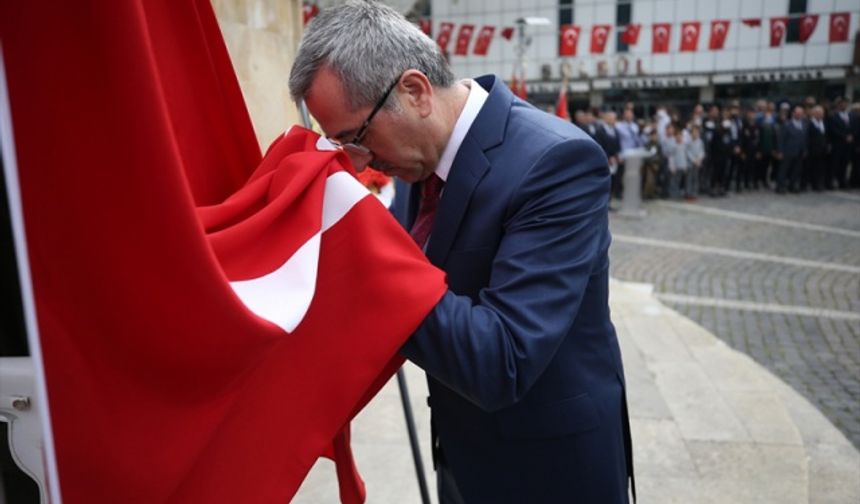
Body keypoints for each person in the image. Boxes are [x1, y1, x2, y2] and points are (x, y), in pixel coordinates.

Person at [288, 2, 634, 502]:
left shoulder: (557, 162)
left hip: (550, 470)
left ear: (414, 91)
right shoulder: (417, 157)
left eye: (356, 138)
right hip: (461, 454)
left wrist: (363, 246)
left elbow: (503, 359)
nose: (357, 163)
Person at [776, 105, 808, 194]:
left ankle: (792, 186)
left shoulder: (804, 124)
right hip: (787, 151)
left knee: (796, 170)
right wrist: (780, 151)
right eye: (797, 113)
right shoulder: (787, 124)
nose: (799, 115)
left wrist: (805, 149)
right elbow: (781, 139)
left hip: (799, 151)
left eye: (801, 113)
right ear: (793, 113)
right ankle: (780, 186)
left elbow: (805, 138)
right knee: (784, 170)